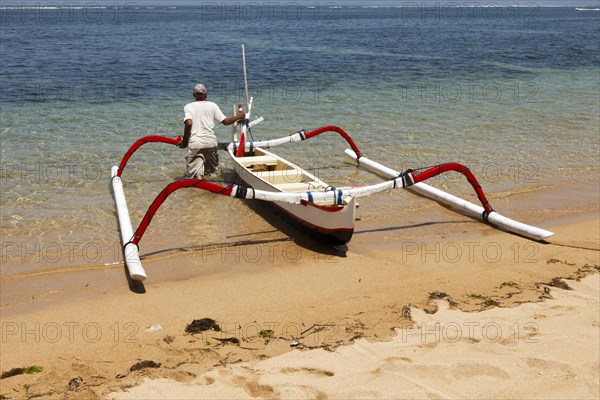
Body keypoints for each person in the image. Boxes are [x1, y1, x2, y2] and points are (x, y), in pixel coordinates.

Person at [179, 83, 245, 179]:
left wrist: (185, 142)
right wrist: (240, 116)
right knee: (212, 175)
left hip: (196, 143)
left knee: (196, 176)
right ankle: (211, 192)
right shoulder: (212, 105)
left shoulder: (188, 107)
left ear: (194, 95)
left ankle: (198, 191)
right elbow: (226, 122)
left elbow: (189, 123)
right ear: (206, 95)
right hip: (211, 143)